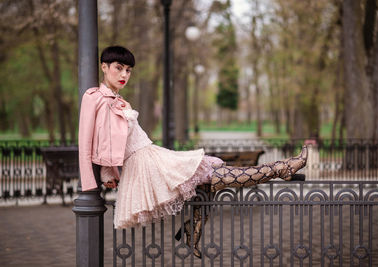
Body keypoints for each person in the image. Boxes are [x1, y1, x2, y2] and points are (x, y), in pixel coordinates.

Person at [79, 45, 308, 258]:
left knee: (211, 176)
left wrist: (109, 171)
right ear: (104, 67)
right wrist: (99, 178)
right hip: (145, 165)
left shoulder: (119, 100)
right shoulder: (94, 98)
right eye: (119, 68)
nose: (124, 75)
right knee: (215, 174)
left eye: (128, 70)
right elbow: (87, 142)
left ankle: (193, 229)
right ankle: (281, 169)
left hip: (153, 157)